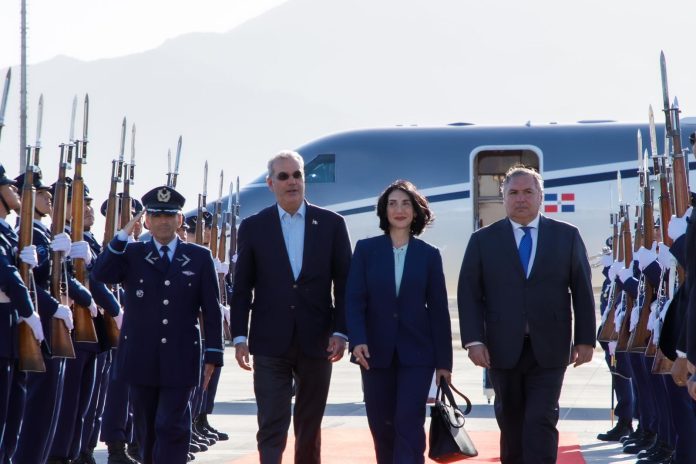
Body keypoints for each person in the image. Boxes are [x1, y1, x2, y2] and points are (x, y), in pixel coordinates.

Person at [457, 165, 596, 464]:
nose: (521, 198)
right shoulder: (483, 240)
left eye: (528, 192)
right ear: (504, 197)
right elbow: (468, 294)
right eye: (514, 193)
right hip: (501, 348)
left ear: (540, 196)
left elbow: (582, 290)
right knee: (510, 420)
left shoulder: (566, 236)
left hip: (551, 346)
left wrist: (585, 339)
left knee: (541, 418)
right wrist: (474, 341)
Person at [229, 150, 352, 464]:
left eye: (297, 175)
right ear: (271, 183)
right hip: (270, 341)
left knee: (309, 426)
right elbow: (242, 288)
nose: (292, 182)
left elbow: (345, 284)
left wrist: (341, 331)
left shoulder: (332, 224)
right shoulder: (254, 227)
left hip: (318, 340)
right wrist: (239, 336)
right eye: (283, 176)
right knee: (272, 421)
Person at [92, 185, 224, 464]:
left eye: (169, 215)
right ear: (147, 221)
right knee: (147, 427)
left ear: (179, 220)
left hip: (181, 354)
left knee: (172, 425)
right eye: (157, 215)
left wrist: (214, 354)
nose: (163, 221)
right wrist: (121, 236)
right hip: (141, 355)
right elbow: (101, 274)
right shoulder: (132, 253)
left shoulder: (199, 257)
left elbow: (211, 310)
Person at [345, 180, 452, 464]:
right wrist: (357, 340)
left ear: (416, 211)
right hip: (373, 353)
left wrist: (444, 364)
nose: (399, 209)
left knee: (409, 422)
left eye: (406, 204)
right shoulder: (366, 250)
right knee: (381, 426)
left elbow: (439, 311)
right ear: (384, 211)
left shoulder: (429, 255)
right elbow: (354, 300)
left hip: (417, 354)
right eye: (392, 204)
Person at [0, 164, 44, 464]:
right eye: (7, 185)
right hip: (3, 329)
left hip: (10, 333)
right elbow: (6, 274)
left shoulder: (6, 232)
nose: (14, 189)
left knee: (12, 414)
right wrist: (29, 311)